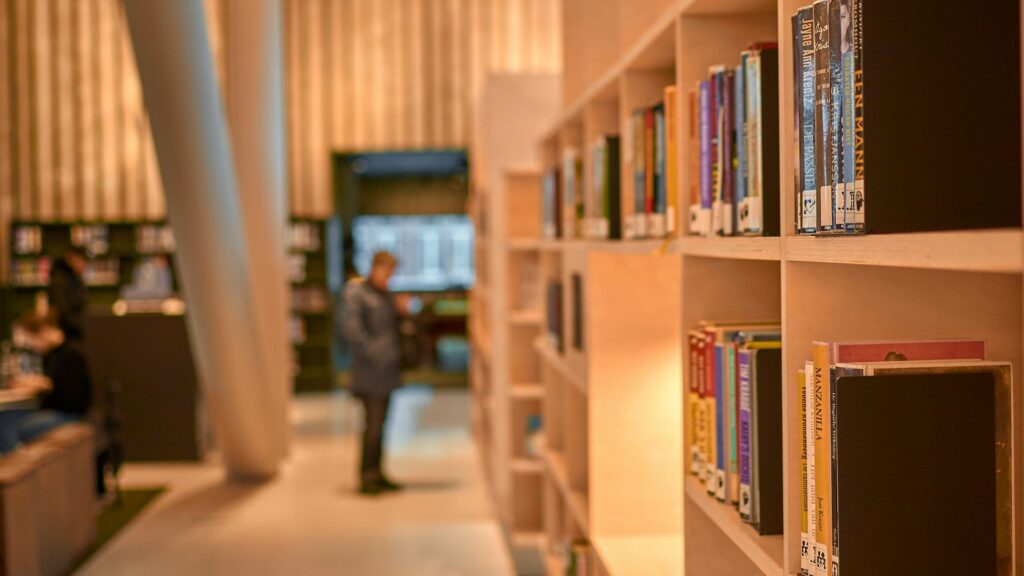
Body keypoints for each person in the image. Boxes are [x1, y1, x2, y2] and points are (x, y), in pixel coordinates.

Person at [341, 251, 406, 496]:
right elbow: (352, 331)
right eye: (387, 272)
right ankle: (366, 475)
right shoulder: (357, 294)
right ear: (375, 268)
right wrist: (376, 353)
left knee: (382, 424)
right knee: (372, 425)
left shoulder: (385, 295)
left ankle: (378, 472)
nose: (389, 278)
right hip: (369, 373)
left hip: (388, 371)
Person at [0, 312, 94, 453]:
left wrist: (45, 384)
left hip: (69, 414)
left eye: (31, 340)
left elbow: (73, 396)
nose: (32, 346)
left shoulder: (72, 353)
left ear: (43, 332)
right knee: (4, 417)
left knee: (11, 427)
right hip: (52, 410)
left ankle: (17, 467)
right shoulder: (52, 355)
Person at [49, 246, 88, 341]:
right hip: (67, 334)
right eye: (79, 260)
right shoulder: (60, 280)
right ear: (70, 259)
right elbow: (62, 311)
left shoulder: (74, 279)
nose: (83, 265)